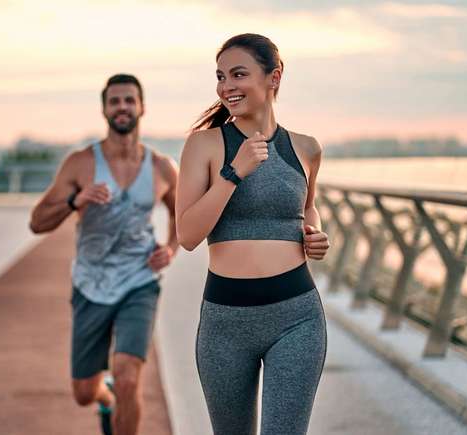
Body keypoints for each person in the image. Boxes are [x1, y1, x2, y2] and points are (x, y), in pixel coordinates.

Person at [175, 34, 331, 435]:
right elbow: (188, 235)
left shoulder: (307, 148)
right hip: (225, 323)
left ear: (273, 77)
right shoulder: (205, 145)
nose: (226, 86)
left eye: (238, 74)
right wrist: (233, 172)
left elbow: (306, 208)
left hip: (296, 317)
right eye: (221, 76)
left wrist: (315, 236)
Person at [29, 73, 179, 435]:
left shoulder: (161, 167)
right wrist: (74, 200)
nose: (122, 107)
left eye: (129, 100)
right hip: (90, 285)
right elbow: (37, 222)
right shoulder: (80, 163)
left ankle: (119, 396)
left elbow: (181, 212)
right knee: (83, 392)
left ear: (142, 107)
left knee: (129, 377)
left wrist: (171, 248)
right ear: (104, 109)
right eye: (115, 101)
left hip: (139, 281)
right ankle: (105, 398)